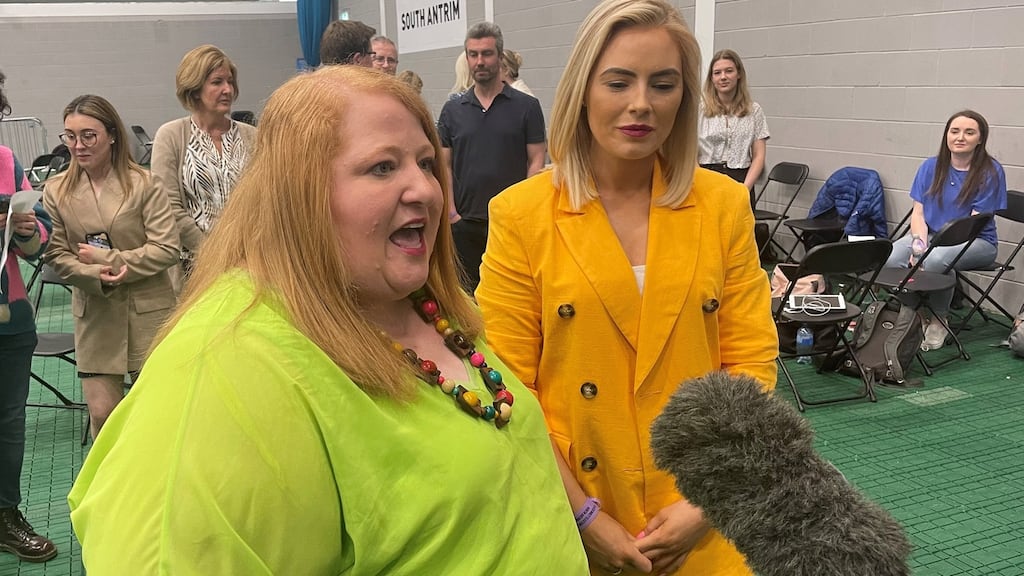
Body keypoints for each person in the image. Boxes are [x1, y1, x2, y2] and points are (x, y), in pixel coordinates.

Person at [67, 65, 589, 575]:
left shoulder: (424, 304)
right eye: (382, 167)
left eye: (427, 163)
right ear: (300, 192)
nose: (427, 190)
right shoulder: (227, 361)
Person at [476, 1, 778, 575]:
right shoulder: (520, 214)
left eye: (663, 85)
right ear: (582, 90)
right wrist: (586, 518)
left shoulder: (723, 205)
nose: (641, 103)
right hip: (573, 514)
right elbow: (506, 387)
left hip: (701, 520)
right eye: (618, 82)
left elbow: (750, 362)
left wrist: (705, 502)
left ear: (683, 97)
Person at [43, 95, 180, 440]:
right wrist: (94, 274)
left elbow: (167, 248)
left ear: (112, 135)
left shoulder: (145, 184)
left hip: (149, 312)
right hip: (96, 314)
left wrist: (109, 260)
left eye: (88, 136)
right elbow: (56, 253)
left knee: (157, 417)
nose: (78, 145)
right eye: (70, 136)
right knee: (103, 416)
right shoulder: (56, 190)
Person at [437, 22, 547, 292]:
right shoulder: (452, 110)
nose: (479, 61)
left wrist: (526, 211)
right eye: (473, 54)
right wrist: (451, 213)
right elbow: (444, 165)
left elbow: (536, 161)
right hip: (465, 225)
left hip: (511, 224)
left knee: (511, 295)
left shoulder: (527, 107)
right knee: (468, 299)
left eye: (486, 53)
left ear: (499, 56)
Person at [886, 109, 1007, 350]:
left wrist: (927, 253)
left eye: (969, 132)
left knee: (937, 260)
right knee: (889, 257)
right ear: (947, 135)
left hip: (976, 241)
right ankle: (917, 313)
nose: (960, 137)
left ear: (980, 139)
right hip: (931, 237)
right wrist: (919, 246)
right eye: (955, 131)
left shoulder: (990, 171)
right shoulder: (930, 166)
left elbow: (971, 226)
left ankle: (939, 320)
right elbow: (918, 214)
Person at [0, 69, 58, 564]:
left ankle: (5, 515)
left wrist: (23, 228)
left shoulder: (5, 160)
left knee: (8, 422)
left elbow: (40, 238)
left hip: (10, 315)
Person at [151, 45, 257, 285]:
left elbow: (263, 200)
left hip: (249, 263)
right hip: (195, 268)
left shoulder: (252, 136)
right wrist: (212, 254)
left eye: (230, 82)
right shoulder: (171, 136)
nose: (227, 89)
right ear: (195, 88)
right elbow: (168, 207)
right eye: (217, 82)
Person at [698, 49, 769, 202]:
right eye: (717, 73)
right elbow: (690, 154)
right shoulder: (699, 110)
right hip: (707, 179)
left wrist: (744, 189)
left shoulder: (754, 110)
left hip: (741, 180)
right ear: (711, 78)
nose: (723, 77)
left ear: (739, 74)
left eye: (729, 71)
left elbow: (759, 155)